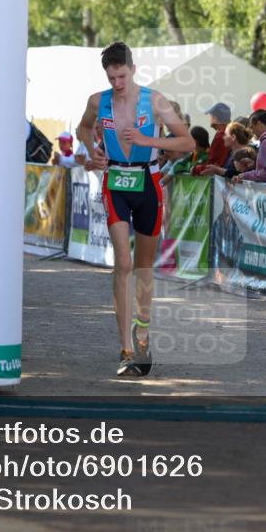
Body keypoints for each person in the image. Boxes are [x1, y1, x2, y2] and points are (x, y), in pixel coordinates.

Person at [75, 41, 194, 377]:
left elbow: (187, 142)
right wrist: (92, 150)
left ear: (133, 70)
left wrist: (149, 141)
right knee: (123, 263)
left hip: (148, 182)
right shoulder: (98, 101)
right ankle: (126, 348)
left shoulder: (155, 101)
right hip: (115, 182)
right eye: (112, 78)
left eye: (122, 77)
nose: (117, 84)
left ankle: (142, 329)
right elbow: (83, 127)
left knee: (143, 266)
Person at [193, 102, 231, 175]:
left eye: (211, 116)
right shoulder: (227, 133)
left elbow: (213, 163)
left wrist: (195, 169)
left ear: (215, 117)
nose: (210, 119)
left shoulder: (221, 136)